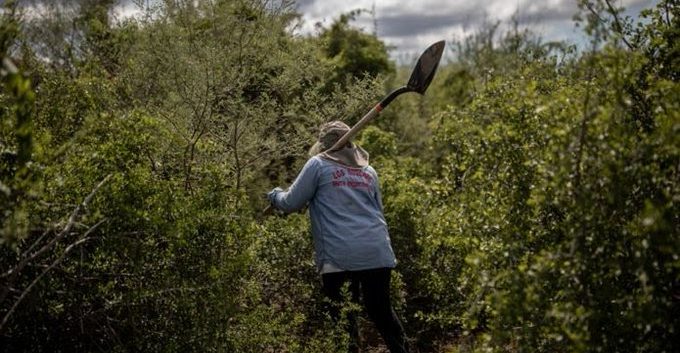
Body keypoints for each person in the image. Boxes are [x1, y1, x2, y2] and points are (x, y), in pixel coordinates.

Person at [267, 121, 410, 353]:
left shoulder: (318, 164)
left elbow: (291, 203)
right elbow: (378, 210)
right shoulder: (368, 171)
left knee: (344, 320)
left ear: (324, 144)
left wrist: (274, 195)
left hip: (340, 256)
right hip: (377, 250)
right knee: (381, 311)